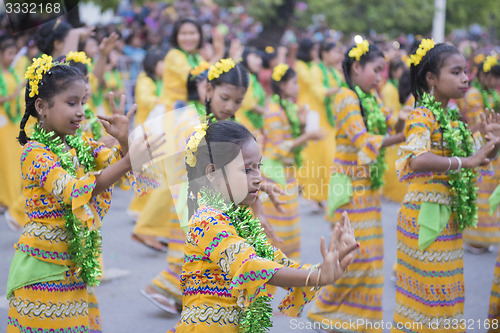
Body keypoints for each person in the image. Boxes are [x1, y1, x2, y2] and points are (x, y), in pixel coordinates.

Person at [6, 55, 161, 333]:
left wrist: (125, 141)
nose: (80, 112)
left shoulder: (79, 143)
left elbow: (113, 161)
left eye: (82, 102)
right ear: (41, 106)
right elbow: (75, 191)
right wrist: (127, 161)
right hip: (42, 270)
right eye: (71, 102)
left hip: (74, 264)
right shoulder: (35, 153)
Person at [169, 120, 359, 332]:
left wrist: (326, 268)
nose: (259, 178)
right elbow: (250, 265)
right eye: (247, 170)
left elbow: (274, 261)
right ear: (212, 173)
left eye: (258, 167)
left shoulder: (240, 217)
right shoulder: (206, 221)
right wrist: (316, 277)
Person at [390, 40, 500, 333]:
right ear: (432, 78)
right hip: (424, 218)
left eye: (465, 72)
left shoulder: (452, 118)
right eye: (456, 72)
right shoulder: (420, 115)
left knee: (448, 297)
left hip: (448, 217)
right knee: (425, 300)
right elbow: (416, 159)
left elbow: (476, 158)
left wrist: (492, 144)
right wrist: (465, 161)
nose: (465, 78)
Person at [308, 40, 408, 332]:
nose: (380, 77)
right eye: (376, 70)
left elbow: (393, 125)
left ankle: (348, 319)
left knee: (369, 256)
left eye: (383, 71)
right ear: (356, 67)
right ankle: (326, 314)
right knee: (353, 254)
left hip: (367, 187)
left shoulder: (371, 97)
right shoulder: (346, 97)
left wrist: (407, 118)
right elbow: (363, 141)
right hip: (349, 186)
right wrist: (404, 135)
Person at [140, 59, 254, 314]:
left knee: (202, 255)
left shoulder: (224, 124)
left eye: (237, 101)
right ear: (208, 90)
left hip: (212, 200)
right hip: (191, 198)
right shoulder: (193, 121)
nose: (230, 106)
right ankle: (163, 290)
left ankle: (187, 299)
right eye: (225, 97)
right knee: (192, 253)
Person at [261, 63, 326, 261]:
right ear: (282, 85)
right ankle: (271, 268)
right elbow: (278, 148)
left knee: (289, 225)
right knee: (276, 224)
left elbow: (292, 141)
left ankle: (286, 268)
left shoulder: (288, 107)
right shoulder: (273, 110)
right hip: (275, 174)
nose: (298, 87)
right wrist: (308, 136)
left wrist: (304, 124)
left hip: (287, 173)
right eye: (294, 83)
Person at [462, 55, 500, 253]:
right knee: (478, 193)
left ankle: (485, 239)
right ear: (483, 75)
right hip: (476, 143)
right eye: (494, 77)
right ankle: (474, 239)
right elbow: (481, 123)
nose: (497, 82)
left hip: (489, 143)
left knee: (489, 192)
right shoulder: (475, 94)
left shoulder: (491, 94)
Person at [294, 38, 338, 208]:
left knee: (326, 156)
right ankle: (313, 195)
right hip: (311, 112)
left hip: (326, 116)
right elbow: (317, 89)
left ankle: (322, 195)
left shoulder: (329, 70)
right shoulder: (307, 67)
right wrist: (336, 90)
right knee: (315, 155)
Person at [381, 57, 413, 203]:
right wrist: (397, 121)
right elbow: (390, 110)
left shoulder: (395, 87)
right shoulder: (389, 88)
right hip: (394, 126)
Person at [0, 35, 24, 214]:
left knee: (15, 159)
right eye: (9, 53)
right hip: (2, 121)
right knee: (4, 160)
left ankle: (14, 196)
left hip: (13, 122)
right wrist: (14, 94)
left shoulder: (13, 73)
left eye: (13, 53)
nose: (11, 57)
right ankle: (4, 198)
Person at [236, 47, 267, 142]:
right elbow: (248, 103)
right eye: (256, 57)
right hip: (243, 123)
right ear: (244, 56)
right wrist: (269, 114)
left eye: (260, 58)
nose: (259, 61)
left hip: (253, 126)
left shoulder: (252, 77)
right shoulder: (244, 76)